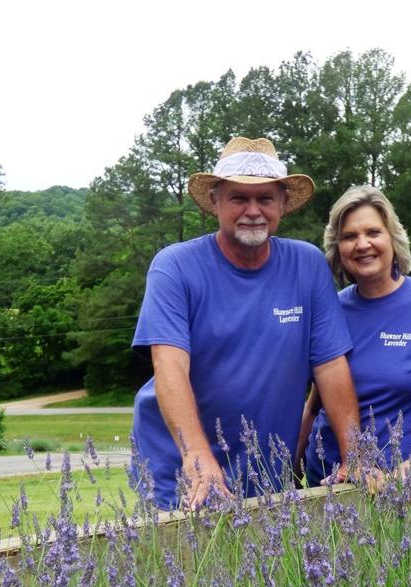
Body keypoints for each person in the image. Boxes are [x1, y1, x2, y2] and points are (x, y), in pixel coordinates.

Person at [132, 137, 360, 509]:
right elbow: (169, 365)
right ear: (215, 202)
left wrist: (357, 453)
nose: (252, 210)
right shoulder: (174, 267)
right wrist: (197, 458)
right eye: (238, 197)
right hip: (180, 470)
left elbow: (331, 365)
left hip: (266, 470)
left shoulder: (306, 265)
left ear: (283, 204)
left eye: (265, 198)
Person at [298, 185, 411, 486]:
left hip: (397, 487)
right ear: (337, 248)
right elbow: (315, 402)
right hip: (325, 487)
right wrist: (291, 465)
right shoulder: (331, 309)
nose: (362, 244)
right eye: (349, 237)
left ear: (393, 238)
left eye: (373, 232)